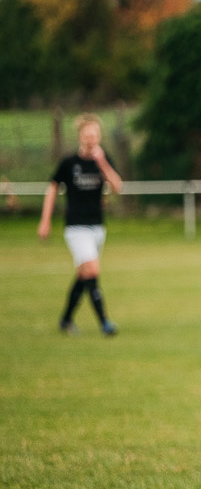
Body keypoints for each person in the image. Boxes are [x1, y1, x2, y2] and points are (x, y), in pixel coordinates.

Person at [38, 113, 123, 336]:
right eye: (86, 135)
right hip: (76, 227)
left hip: (97, 227)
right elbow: (52, 187)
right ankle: (105, 323)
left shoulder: (103, 161)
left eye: (94, 135)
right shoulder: (69, 163)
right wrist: (45, 221)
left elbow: (117, 187)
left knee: (84, 275)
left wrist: (102, 162)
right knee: (93, 270)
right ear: (80, 136)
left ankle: (66, 320)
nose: (90, 138)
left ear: (99, 137)